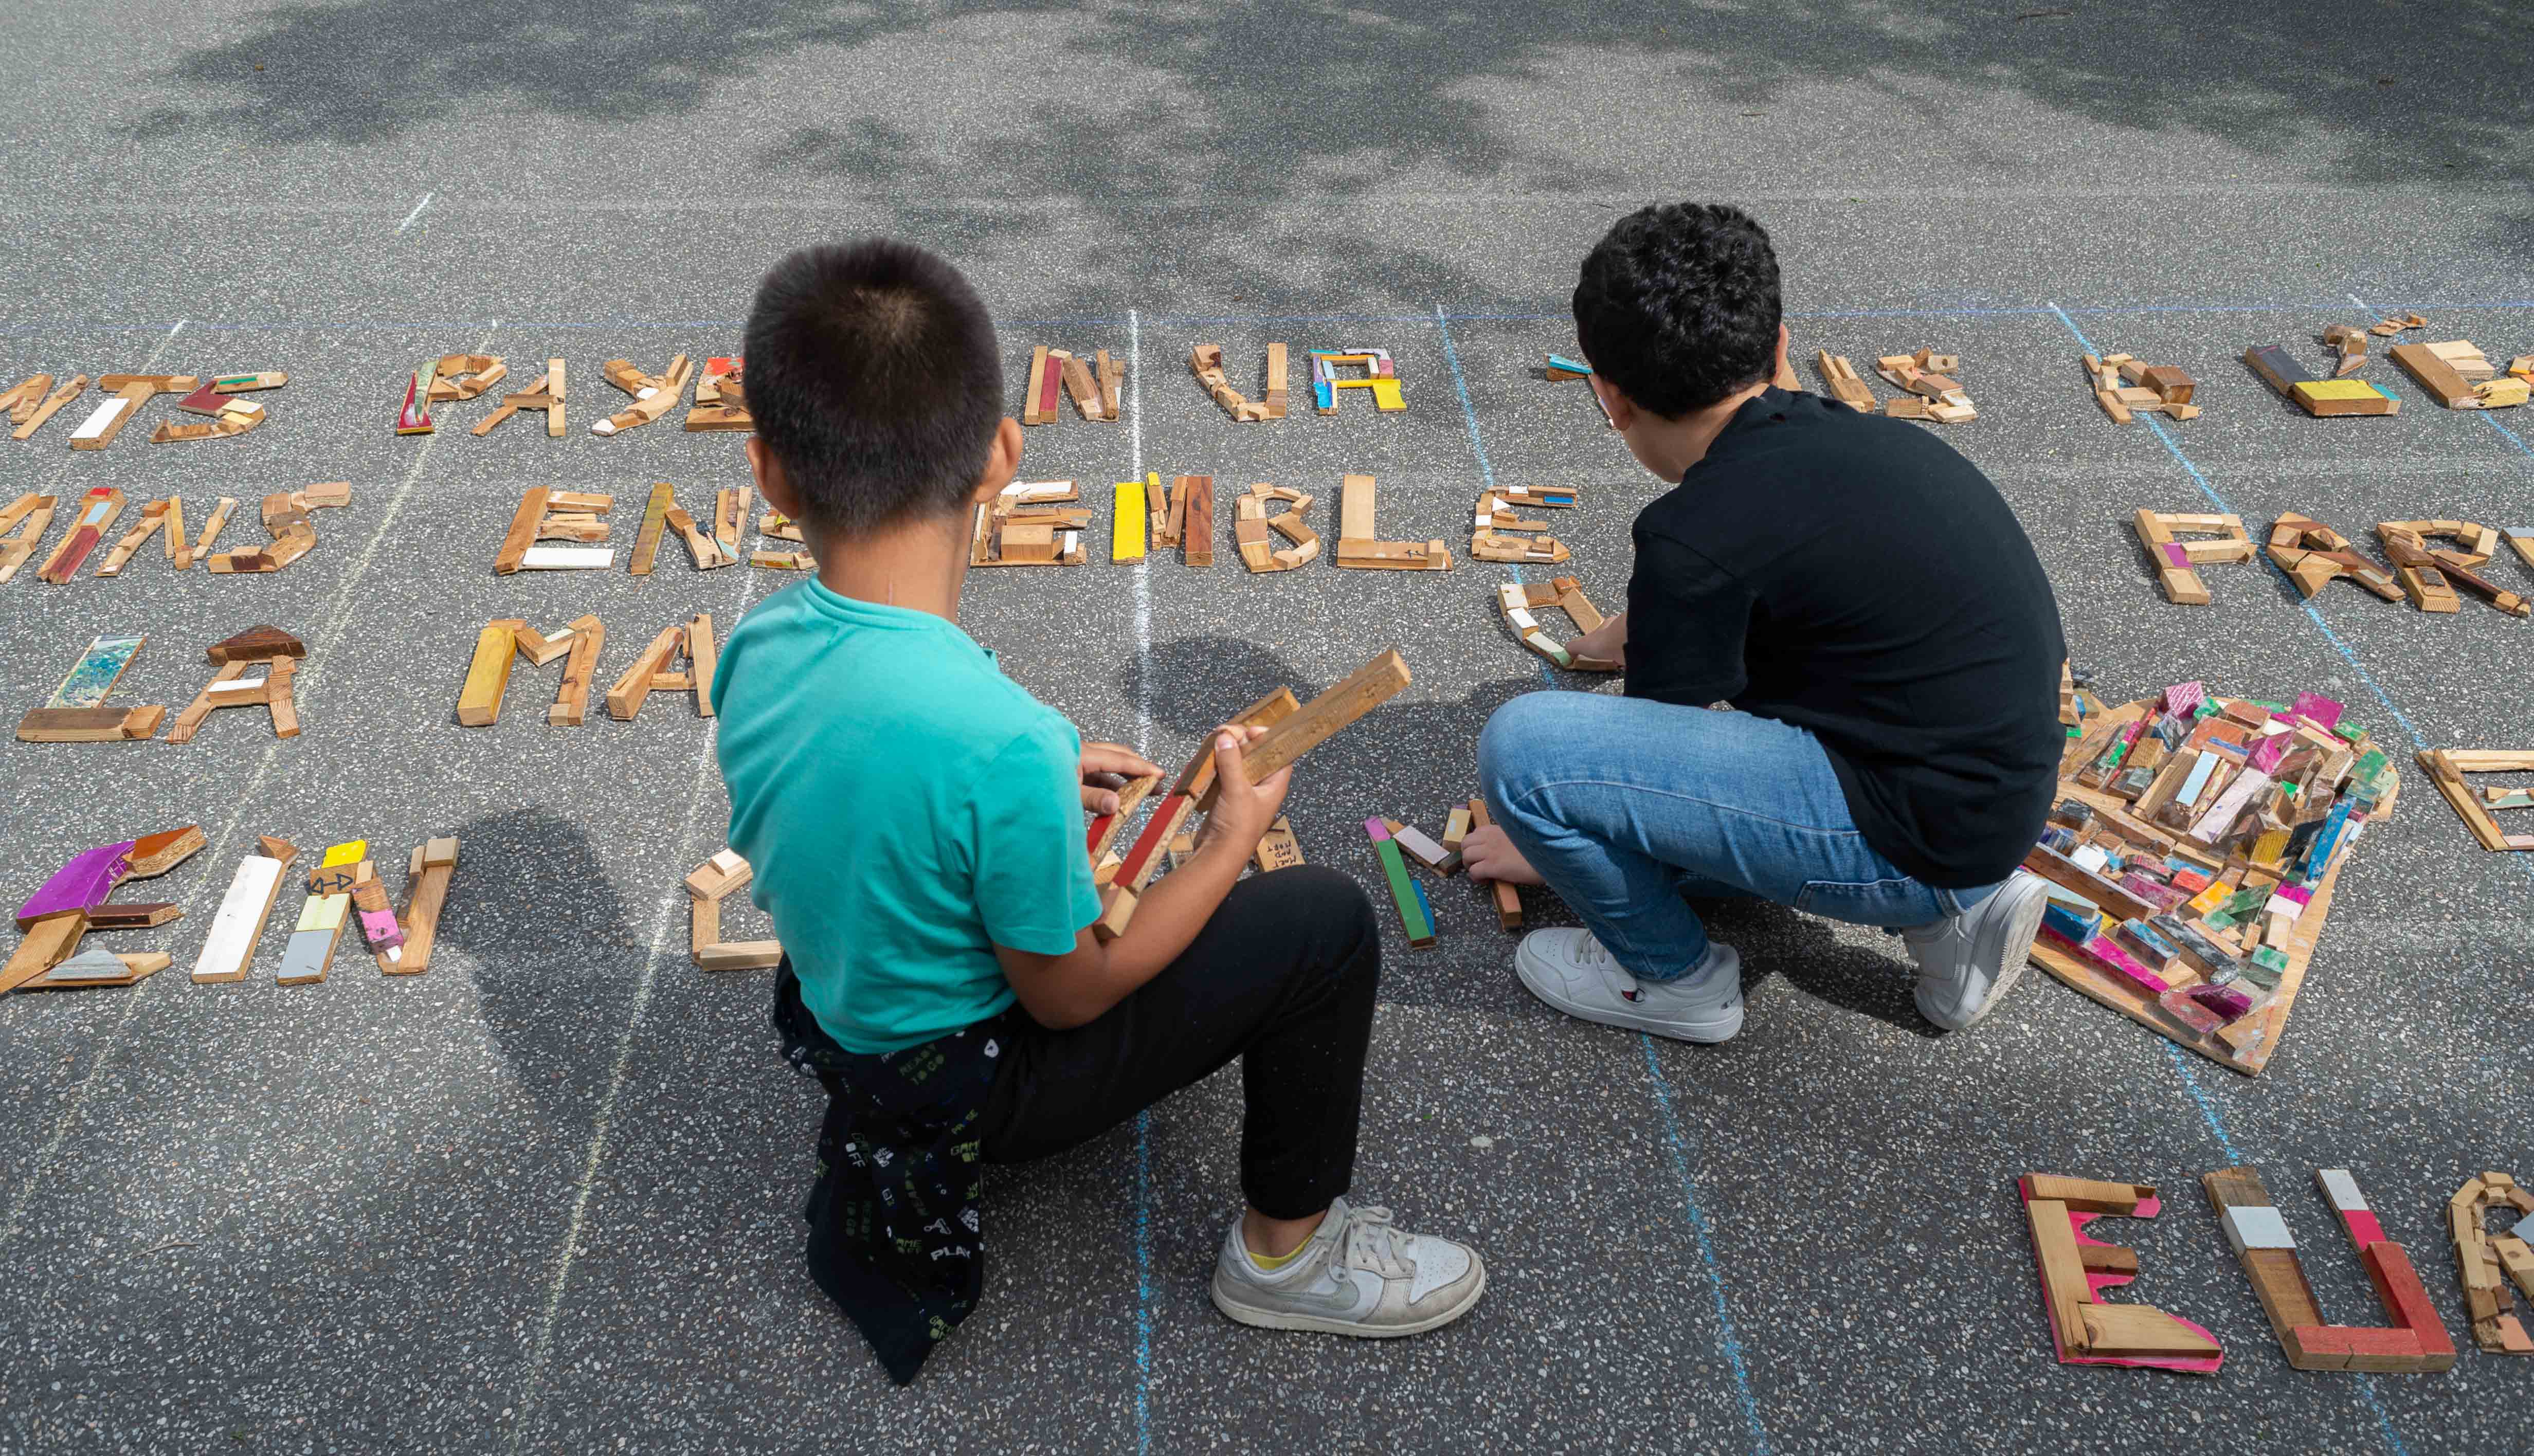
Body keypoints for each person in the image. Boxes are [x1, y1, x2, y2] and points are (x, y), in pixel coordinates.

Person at [711, 239, 1485, 1384]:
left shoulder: (759, 645)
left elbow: (858, 775)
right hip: (972, 1080)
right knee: (1321, 922)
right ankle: (1287, 1254)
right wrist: (1224, 842)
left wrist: (1035, 786)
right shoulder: (999, 739)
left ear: (770, 473)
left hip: (843, 1022)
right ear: (1001, 454)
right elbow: (1069, 994)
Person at [1462, 203, 2067, 1044]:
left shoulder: (1691, 536)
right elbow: (1768, 566)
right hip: (1996, 804)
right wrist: (1625, 632)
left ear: (1610, 397)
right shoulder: (1863, 444)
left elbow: (1653, 763)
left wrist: (1545, 845)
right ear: (1780, 347)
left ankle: (1674, 980)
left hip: (1910, 837)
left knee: (1527, 756)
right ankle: (1958, 915)